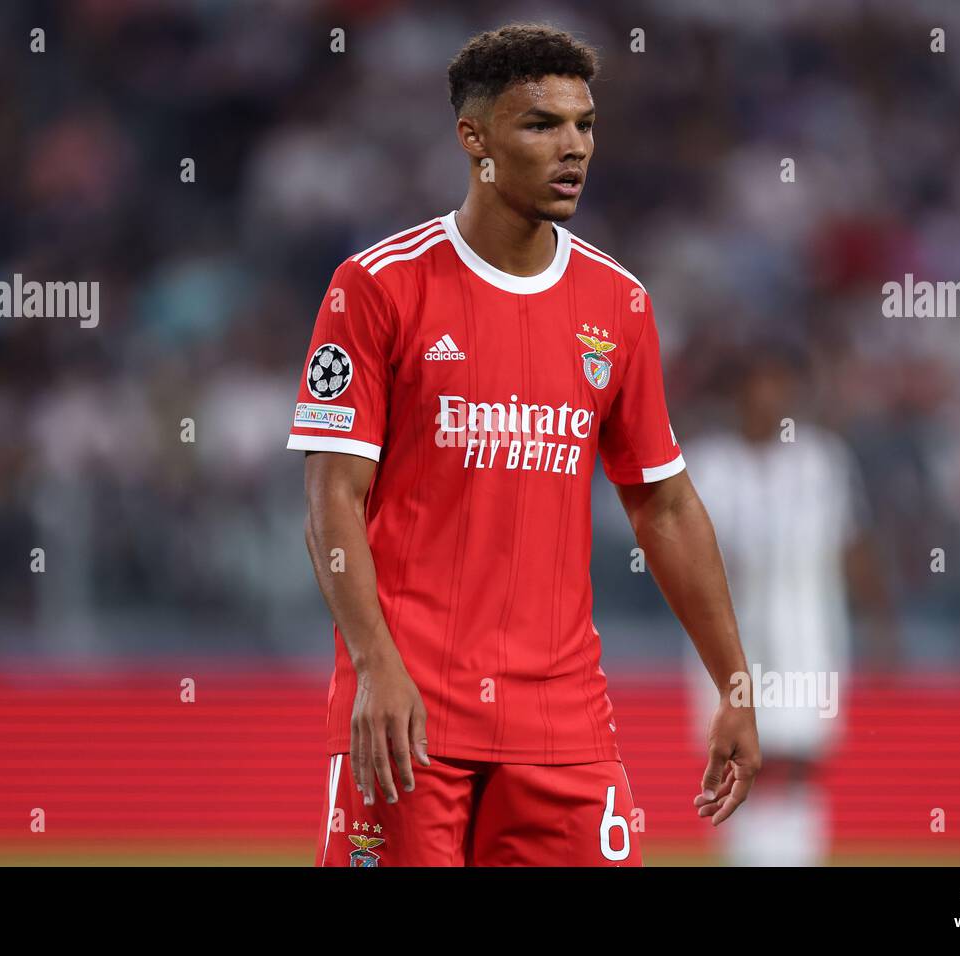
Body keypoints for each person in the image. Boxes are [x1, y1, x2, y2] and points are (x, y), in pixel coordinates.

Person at [287, 23, 759, 866]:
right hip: (410, 712)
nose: (572, 146)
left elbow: (665, 501)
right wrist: (372, 666)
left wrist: (733, 684)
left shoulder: (620, 304)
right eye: (541, 125)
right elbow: (332, 497)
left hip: (564, 722)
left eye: (583, 124)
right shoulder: (376, 287)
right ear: (475, 139)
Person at [685, 346, 894, 865]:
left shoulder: (820, 461)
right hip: (729, 641)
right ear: (737, 395)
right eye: (758, 386)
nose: (770, 399)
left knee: (800, 755)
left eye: (780, 386)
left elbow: (853, 543)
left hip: (807, 634)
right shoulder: (709, 465)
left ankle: (796, 855)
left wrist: (881, 622)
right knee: (737, 758)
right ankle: (747, 855)